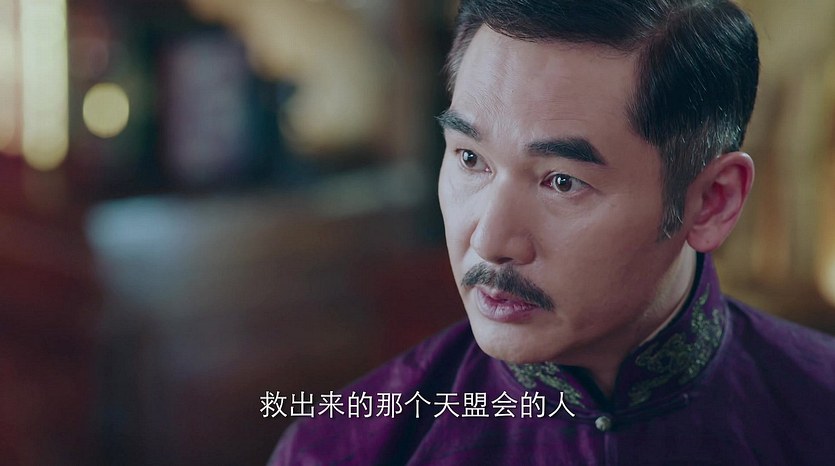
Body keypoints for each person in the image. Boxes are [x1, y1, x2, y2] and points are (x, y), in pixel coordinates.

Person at [269, 0, 835, 463]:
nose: (490, 242)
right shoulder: (345, 447)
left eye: (562, 182)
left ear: (711, 202)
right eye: (470, 159)